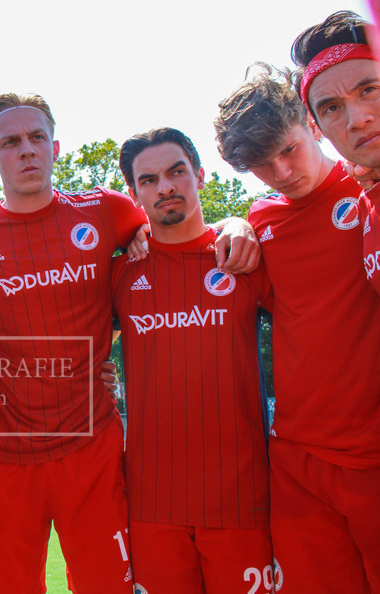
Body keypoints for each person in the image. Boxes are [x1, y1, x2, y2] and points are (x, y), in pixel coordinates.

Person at [0, 93, 257, 593]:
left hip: (90, 450)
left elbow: (181, 237)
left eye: (36, 138)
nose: (26, 150)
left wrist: (236, 222)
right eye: (10, 142)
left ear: (55, 147)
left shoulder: (108, 213)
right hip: (3, 458)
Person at [216, 61, 380, 591]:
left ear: (313, 125)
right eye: (263, 165)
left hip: (372, 457)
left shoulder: (366, 191)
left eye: (288, 150)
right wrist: (232, 222)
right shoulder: (260, 223)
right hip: (295, 459)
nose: (283, 172)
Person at [113, 127, 272, 592]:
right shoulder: (119, 274)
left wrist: (239, 223)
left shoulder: (244, 256)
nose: (165, 187)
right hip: (150, 506)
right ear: (134, 193)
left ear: (200, 176)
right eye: (149, 180)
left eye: (176, 171)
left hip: (241, 502)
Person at [290, 11, 380, 300]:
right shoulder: (366, 202)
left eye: (369, 90)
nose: (356, 119)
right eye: (332, 108)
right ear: (319, 129)